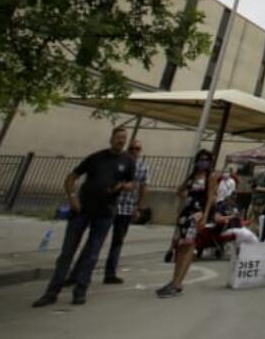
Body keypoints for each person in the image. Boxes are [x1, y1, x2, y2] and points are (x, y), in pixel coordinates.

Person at [32, 125, 135, 307]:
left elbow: (130, 182)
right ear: (111, 138)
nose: (121, 140)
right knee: (67, 252)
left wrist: (125, 187)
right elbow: (72, 176)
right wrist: (72, 197)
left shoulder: (128, 161)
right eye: (119, 137)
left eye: (124, 137)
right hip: (83, 209)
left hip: (105, 212)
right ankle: (52, 291)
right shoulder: (96, 158)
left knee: (92, 253)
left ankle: (80, 291)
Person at [156, 149, 213, 298]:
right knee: (180, 248)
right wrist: (183, 194)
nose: (203, 161)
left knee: (188, 247)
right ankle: (174, 280)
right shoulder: (193, 175)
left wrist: (205, 216)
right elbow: (180, 190)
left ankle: (178, 283)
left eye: (206, 159)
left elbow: (210, 198)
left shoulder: (210, 177)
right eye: (201, 158)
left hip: (196, 215)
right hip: (185, 214)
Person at [103, 138, 149, 284]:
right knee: (97, 239)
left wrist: (139, 207)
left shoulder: (142, 167)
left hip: (127, 207)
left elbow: (143, 188)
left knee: (117, 241)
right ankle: (77, 273)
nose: (135, 152)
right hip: (109, 205)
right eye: (132, 149)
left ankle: (110, 273)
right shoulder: (118, 163)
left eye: (137, 149)